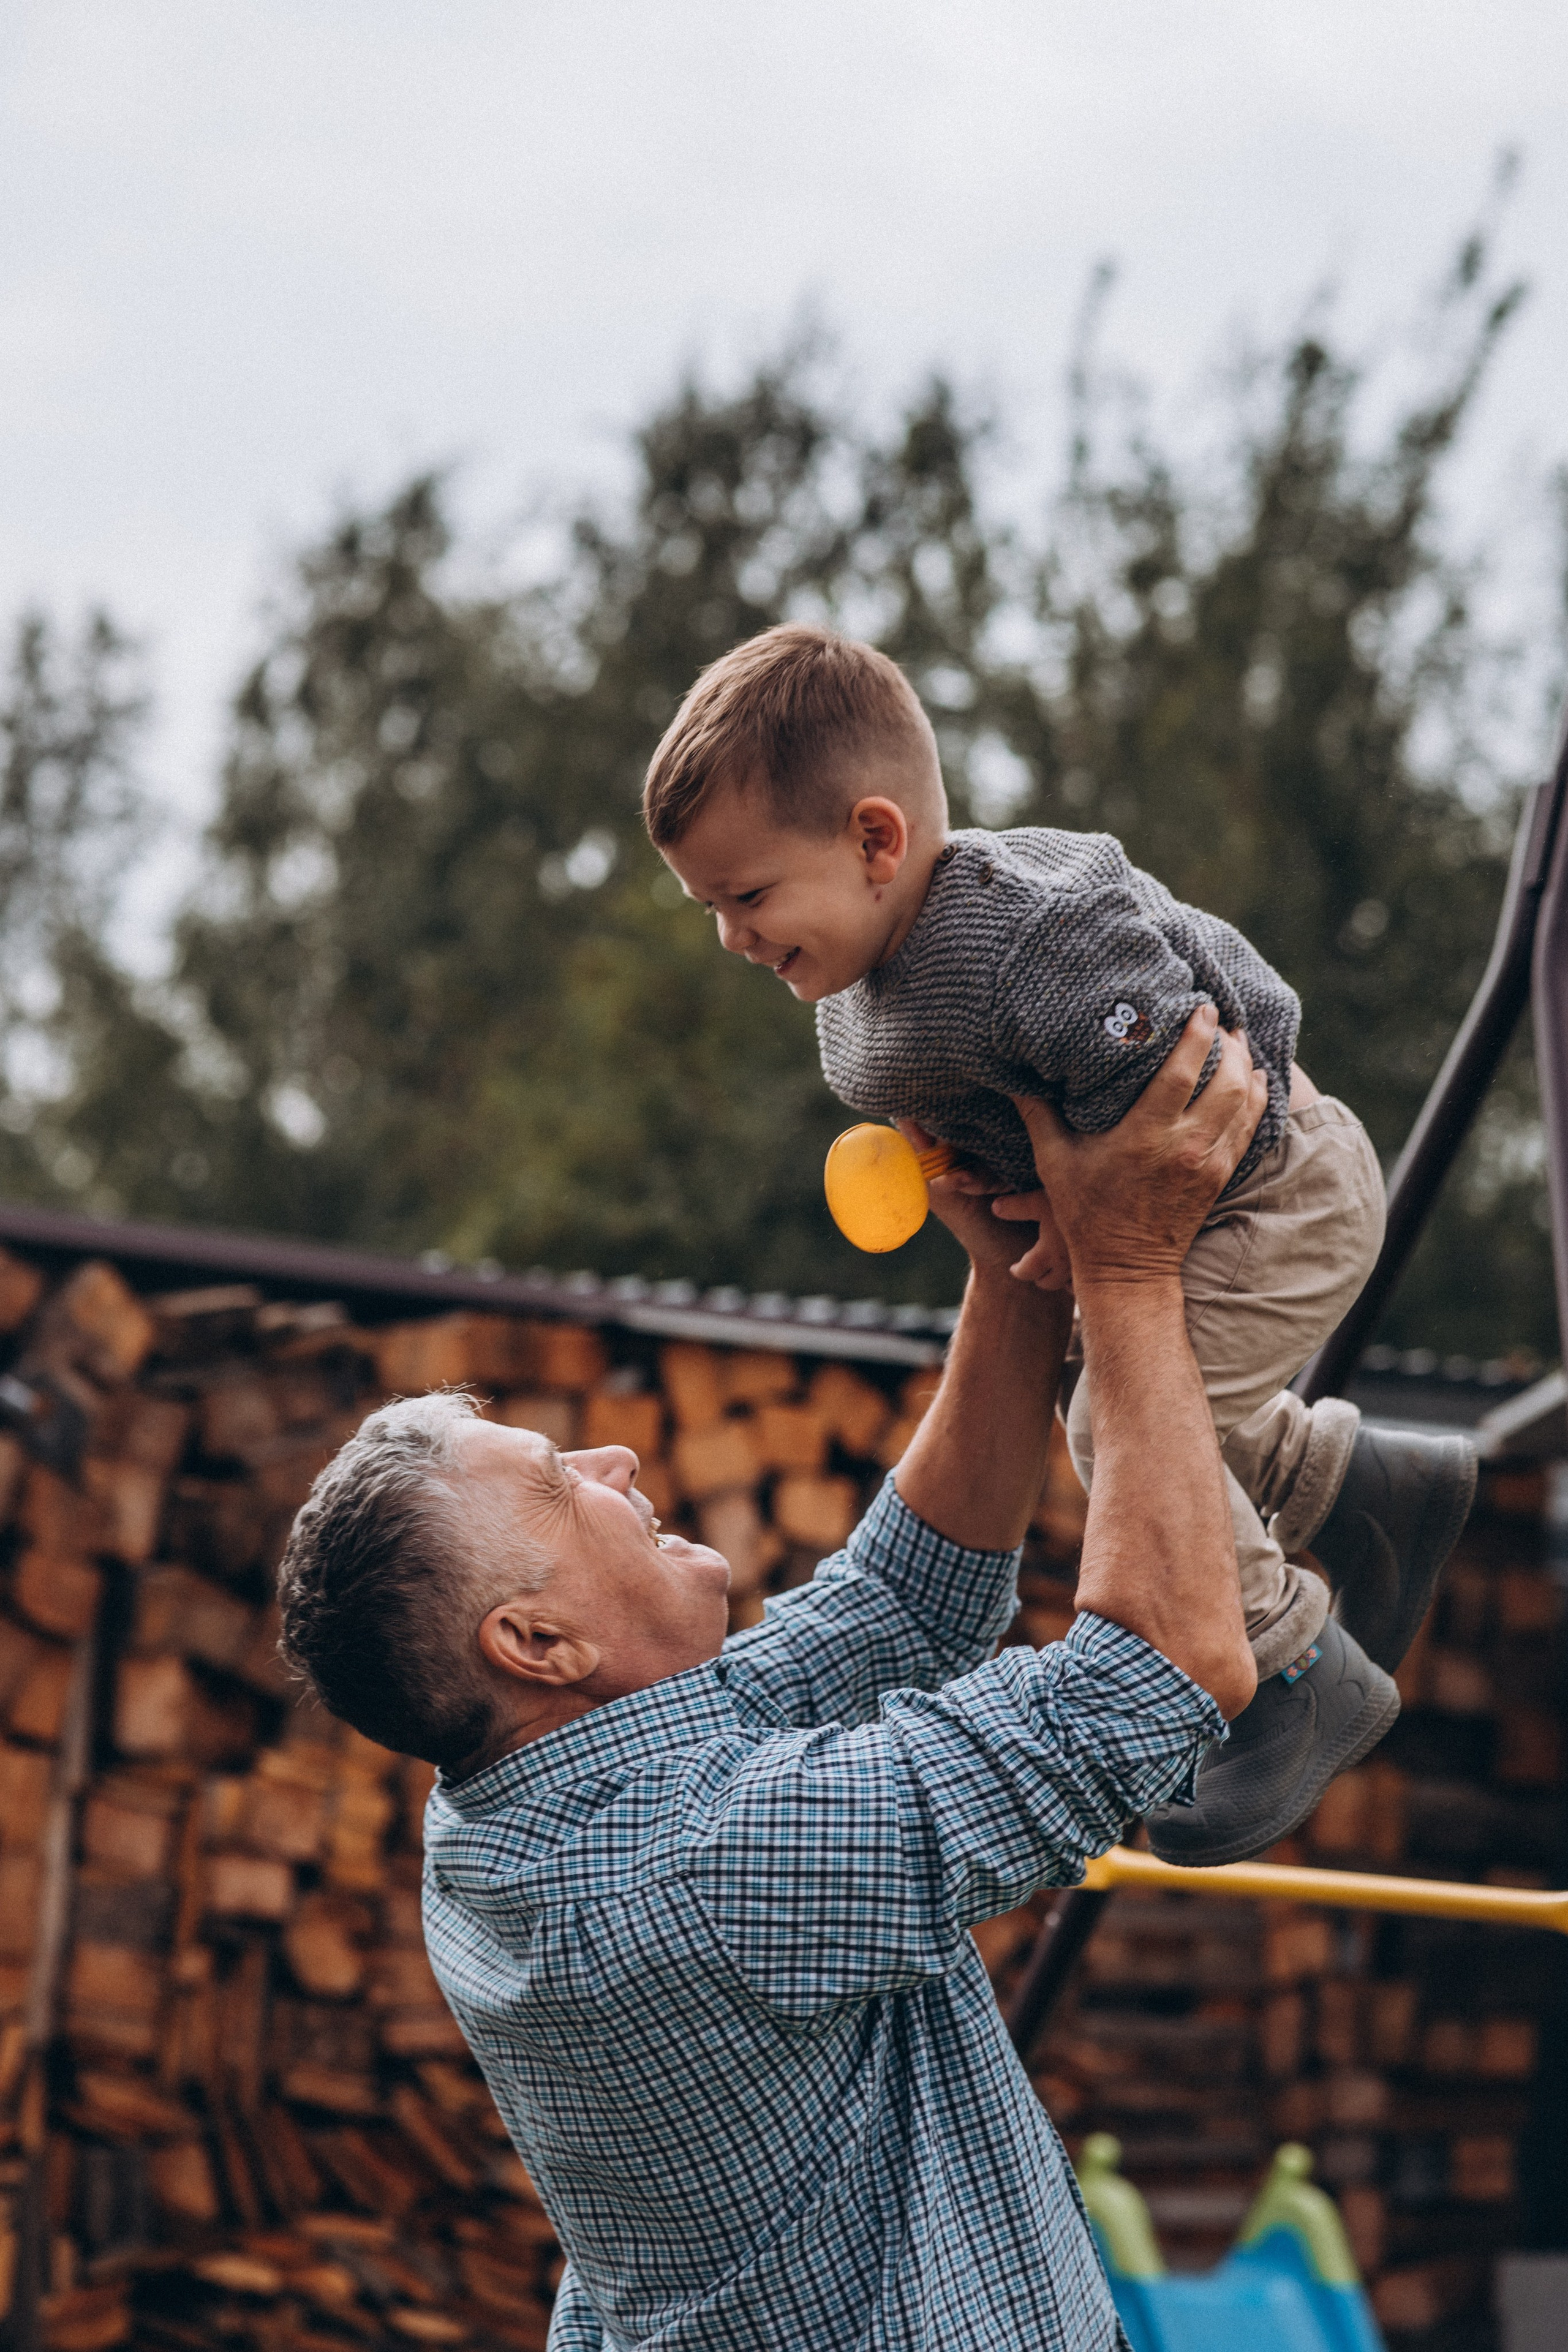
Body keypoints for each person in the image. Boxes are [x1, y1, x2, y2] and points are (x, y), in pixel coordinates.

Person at [279, 1020, 1432, 2350]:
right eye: (555, 1482)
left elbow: (904, 1599)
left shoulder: (518, 1800)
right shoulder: (692, 1870)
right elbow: (1154, 1679)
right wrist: (1125, 1264)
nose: (611, 1459)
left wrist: (1011, 1274)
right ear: (536, 1645)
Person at [643, 622, 1476, 1864]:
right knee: (1156, 1407)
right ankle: (1356, 1488)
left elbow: (1185, 1075)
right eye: (710, 907)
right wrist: (1015, 1204)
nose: (731, 939)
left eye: (748, 896)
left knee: (1115, 1425)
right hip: (1181, 1221)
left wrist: (1104, 1216)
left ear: (876, 840)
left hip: (1274, 1188)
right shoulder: (853, 992)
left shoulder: (1022, 936)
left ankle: (1298, 1670)